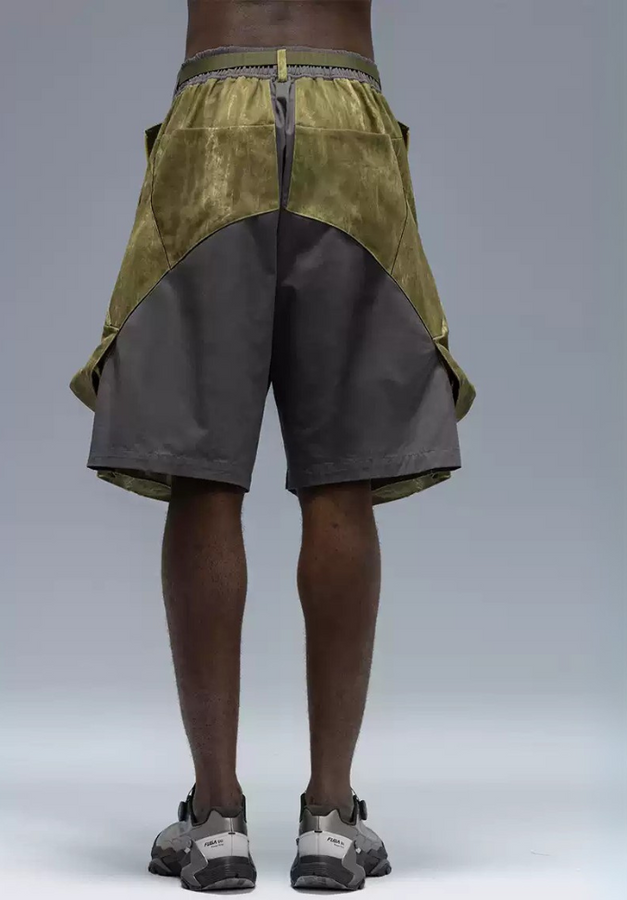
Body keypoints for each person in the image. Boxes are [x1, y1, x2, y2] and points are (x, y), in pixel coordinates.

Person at [69, 0, 476, 891]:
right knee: (340, 479)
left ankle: (216, 821)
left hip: (213, 120)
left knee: (204, 474)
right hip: (347, 125)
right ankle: (331, 820)